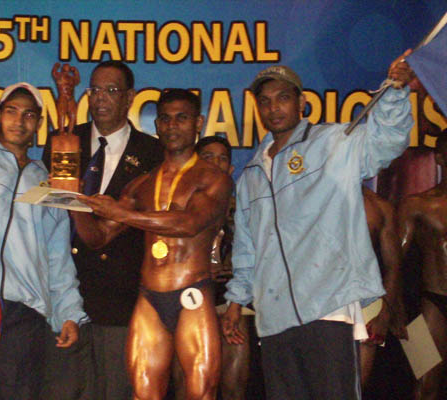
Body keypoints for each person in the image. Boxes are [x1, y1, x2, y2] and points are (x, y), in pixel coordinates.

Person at [222, 52, 415, 400]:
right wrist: (237, 300)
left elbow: (387, 141)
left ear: (301, 103)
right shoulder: (251, 175)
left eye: (283, 97)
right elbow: (247, 249)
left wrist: (396, 92)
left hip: (330, 308)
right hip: (275, 318)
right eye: (264, 101)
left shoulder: (333, 142)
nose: (273, 108)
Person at [74, 89, 233, 400]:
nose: (172, 126)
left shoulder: (213, 178)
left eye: (181, 118)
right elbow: (98, 238)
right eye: (165, 119)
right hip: (149, 297)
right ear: (157, 125)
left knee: (201, 392)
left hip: (193, 293)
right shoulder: (142, 184)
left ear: (198, 123)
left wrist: (123, 213)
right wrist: (74, 201)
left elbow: (189, 224)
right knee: (143, 393)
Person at [42, 60, 163, 399]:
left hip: (119, 300)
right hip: (64, 294)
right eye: (94, 90)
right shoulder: (64, 141)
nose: (100, 98)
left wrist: (76, 196)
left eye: (111, 90)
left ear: (130, 97)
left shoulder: (152, 152)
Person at [0, 82, 88, 399]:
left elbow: (58, 254)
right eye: (11, 111)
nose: (19, 121)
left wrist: (68, 312)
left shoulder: (48, 182)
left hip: (24, 310)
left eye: (29, 115)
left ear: (39, 124)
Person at [172, 135, 260, 400]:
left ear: (231, 169)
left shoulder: (242, 207)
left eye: (222, 159)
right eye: (208, 157)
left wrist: (235, 301)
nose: (215, 163)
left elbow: (252, 257)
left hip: (231, 301)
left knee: (234, 386)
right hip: (187, 301)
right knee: (187, 386)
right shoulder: (177, 206)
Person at [397, 130, 447, 400]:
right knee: (424, 386)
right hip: (428, 305)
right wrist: (393, 309)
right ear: (439, 157)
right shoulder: (416, 205)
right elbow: (393, 263)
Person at [360, 186, 407, 388]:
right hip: (320, 302)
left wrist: (385, 314)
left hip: (365, 302)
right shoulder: (314, 196)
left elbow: (393, 266)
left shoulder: (380, 207)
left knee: (355, 389)